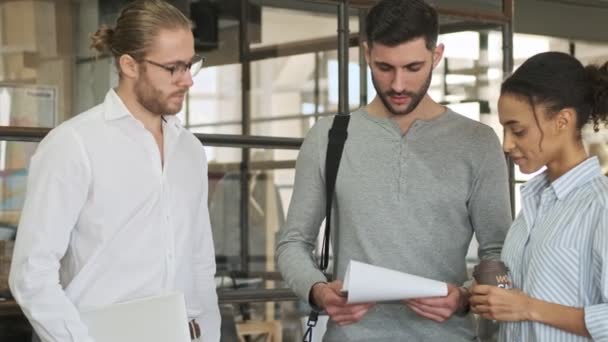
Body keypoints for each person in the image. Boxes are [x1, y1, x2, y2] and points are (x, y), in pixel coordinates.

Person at [276, 0, 511, 340]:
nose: (398, 84)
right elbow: (293, 243)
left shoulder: (478, 142)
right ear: (366, 52)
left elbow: (499, 254)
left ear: (437, 54)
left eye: (413, 67)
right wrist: (318, 290)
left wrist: (463, 297)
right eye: (385, 68)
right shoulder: (328, 137)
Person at [8, 1, 221, 341]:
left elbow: (200, 262)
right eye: (172, 68)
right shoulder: (73, 144)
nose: (187, 81)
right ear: (129, 65)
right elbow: (31, 273)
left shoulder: (190, 151)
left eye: (190, 65)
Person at [470, 52, 608, 341]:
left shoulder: (601, 206)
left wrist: (530, 308)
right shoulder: (532, 205)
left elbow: (525, 306)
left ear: (563, 120)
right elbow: (515, 302)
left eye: (518, 130)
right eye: (505, 130)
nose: (507, 144)